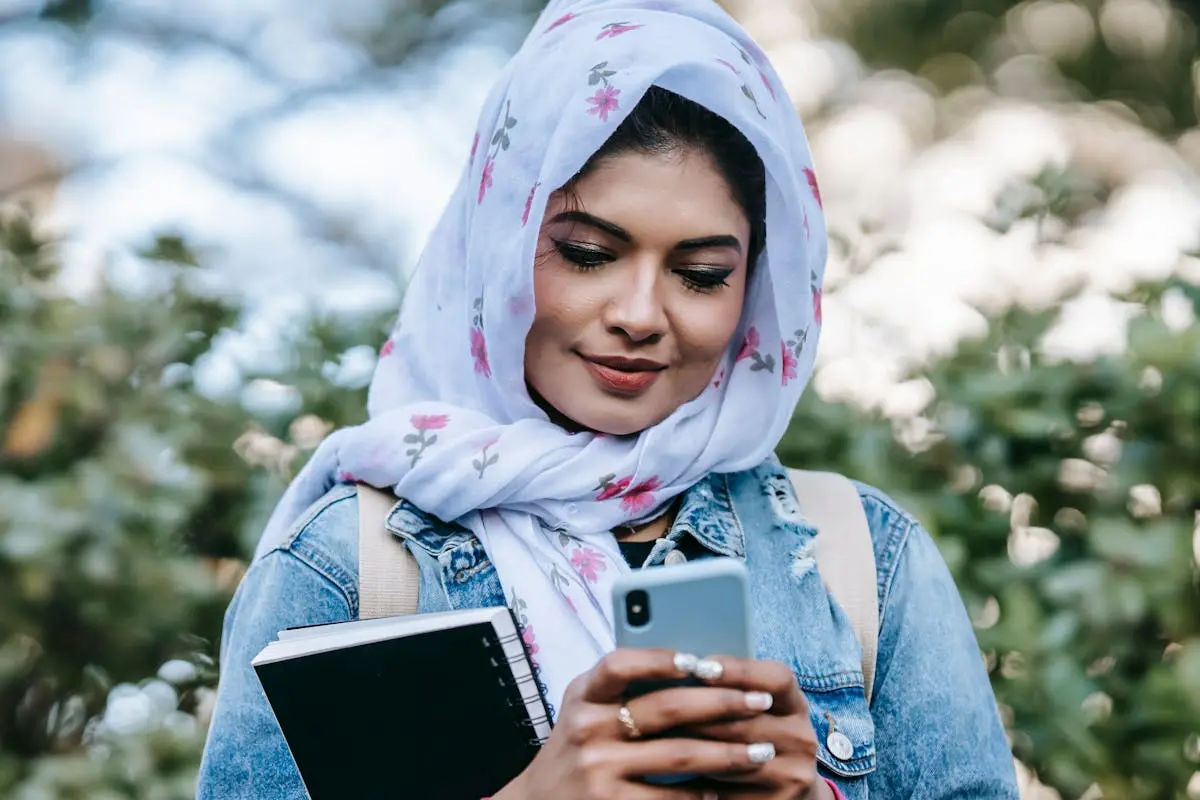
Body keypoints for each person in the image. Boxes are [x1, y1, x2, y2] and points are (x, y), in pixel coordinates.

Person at [197, 1, 1020, 797]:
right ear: (499, 242)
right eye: (588, 255)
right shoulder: (350, 568)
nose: (638, 315)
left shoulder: (863, 562)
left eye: (701, 275)